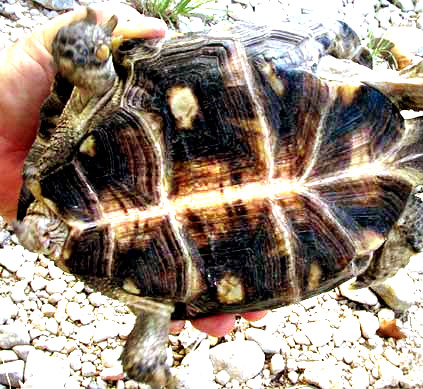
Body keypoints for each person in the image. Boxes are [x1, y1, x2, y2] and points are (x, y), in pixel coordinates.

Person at [0, 3, 265, 336]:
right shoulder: (122, 276)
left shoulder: (82, 122)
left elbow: (90, 73)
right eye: (43, 239)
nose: (38, 237)